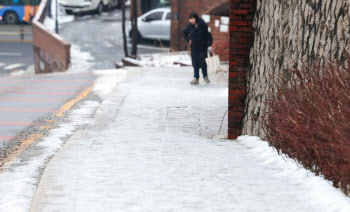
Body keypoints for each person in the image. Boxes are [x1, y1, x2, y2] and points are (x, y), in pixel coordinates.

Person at [183, 12, 213, 85]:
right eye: (190, 19)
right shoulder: (189, 26)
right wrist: (188, 40)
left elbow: (208, 35)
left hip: (203, 46)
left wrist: (209, 45)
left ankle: (205, 76)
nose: (191, 21)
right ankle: (196, 78)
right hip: (194, 47)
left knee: (203, 62)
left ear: (196, 18)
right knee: (195, 62)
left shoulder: (203, 25)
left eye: (192, 19)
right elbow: (184, 32)